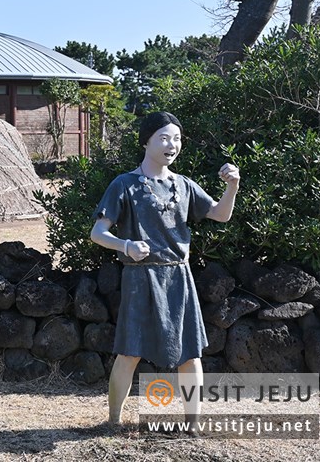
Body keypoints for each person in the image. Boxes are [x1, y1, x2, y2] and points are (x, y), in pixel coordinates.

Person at [90, 111, 240, 430]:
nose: (171, 145)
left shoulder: (184, 185)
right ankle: (113, 422)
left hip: (178, 278)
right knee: (129, 352)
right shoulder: (124, 185)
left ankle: (193, 423)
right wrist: (126, 245)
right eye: (164, 138)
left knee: (189, 355)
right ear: (146, 141)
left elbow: (220, 215)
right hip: (139, 278)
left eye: (177, 139)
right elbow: (97, 232)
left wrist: (232, 187)